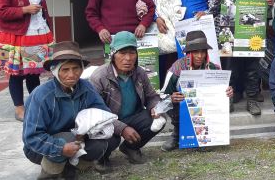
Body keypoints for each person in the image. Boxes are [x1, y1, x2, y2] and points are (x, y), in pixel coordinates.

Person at [23, 41, 119, 179]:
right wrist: (60, 148)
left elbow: (101, 112)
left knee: (108, 139)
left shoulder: (86, 87)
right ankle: (49, 174)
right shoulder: (41, 96)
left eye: (76, 68)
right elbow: (31, 137)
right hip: (39, 148)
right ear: (55, 71)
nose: (72, 74)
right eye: (65, 69)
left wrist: (87, 131)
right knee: (68, 138)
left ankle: (70, 166)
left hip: (76, 139)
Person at [89, 31, 162, 164]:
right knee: (111, 138)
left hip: (132, 116)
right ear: (113, 55)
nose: (128, 58)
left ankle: (130, 148)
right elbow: (95, 113)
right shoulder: (99, 77)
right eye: (122, 53)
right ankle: (101, 158)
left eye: (132, 53)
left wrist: (155, 107)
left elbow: (152, 96)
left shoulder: (139, 72)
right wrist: (121, 128)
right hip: (107, 121)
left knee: (159, 120)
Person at [209, 0, 264, 115]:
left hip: (251, 32)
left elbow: (263, 7)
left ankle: (252, 100)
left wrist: (269, 2)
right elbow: (212, 11)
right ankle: (229, 99)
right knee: (230, 68)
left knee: (252, 68)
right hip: (228, 32)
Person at [160, 30, 233, 151]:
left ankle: (208, 134)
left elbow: (222, 95)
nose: (200, 56)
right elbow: (161, 98)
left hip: (206, 111)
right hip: (183, 109)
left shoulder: (214, 69)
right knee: (173, 104)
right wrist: (171, 98)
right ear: (188, 53)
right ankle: (178, 134)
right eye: (195, 52)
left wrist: (228, 93)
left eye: (203, 51)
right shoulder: (176, 69)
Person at [154, 0, 213, 83]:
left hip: (199, 32)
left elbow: (215, 8)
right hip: (177, 31)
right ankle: (179, 89)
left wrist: (206, 13)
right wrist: (157, 17)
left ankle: (201, 88)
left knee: (199, 60)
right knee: (181, 62)